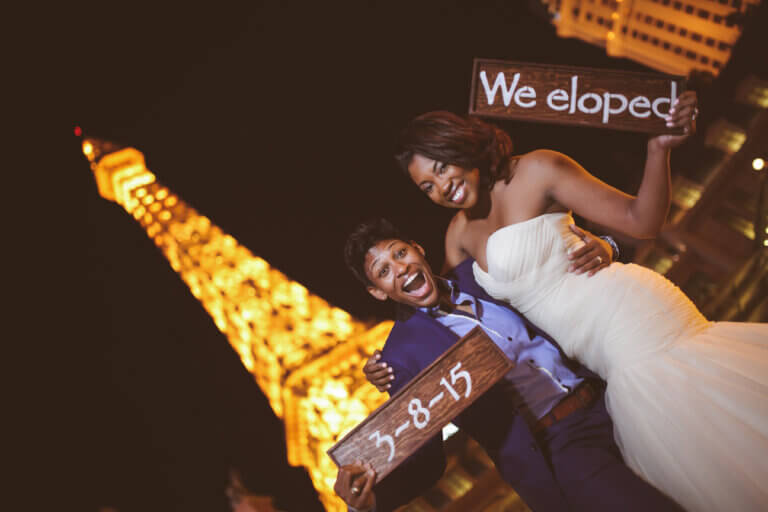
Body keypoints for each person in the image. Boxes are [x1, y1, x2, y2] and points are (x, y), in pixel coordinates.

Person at [385, 96, 768, 511]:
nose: (441, 187)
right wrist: (391, 364)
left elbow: (642, 221)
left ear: (458, 146)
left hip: (631, 320)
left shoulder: (536, 168)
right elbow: (439, 316)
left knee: (709, 439)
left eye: (441, 168)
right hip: (596, 358)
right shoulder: (457, 235)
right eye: (427, 186)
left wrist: (656, 152)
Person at [335, 218, 683, 512]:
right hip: (558, 446)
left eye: (400, 253)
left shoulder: (478, 272)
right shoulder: (400, 355)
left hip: (613, 400)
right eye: (384, 270)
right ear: (377, 292)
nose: (401, 267)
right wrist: (369, 499)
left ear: (417, 248)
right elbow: (425, 457)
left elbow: (563, 279)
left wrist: (607, 245)